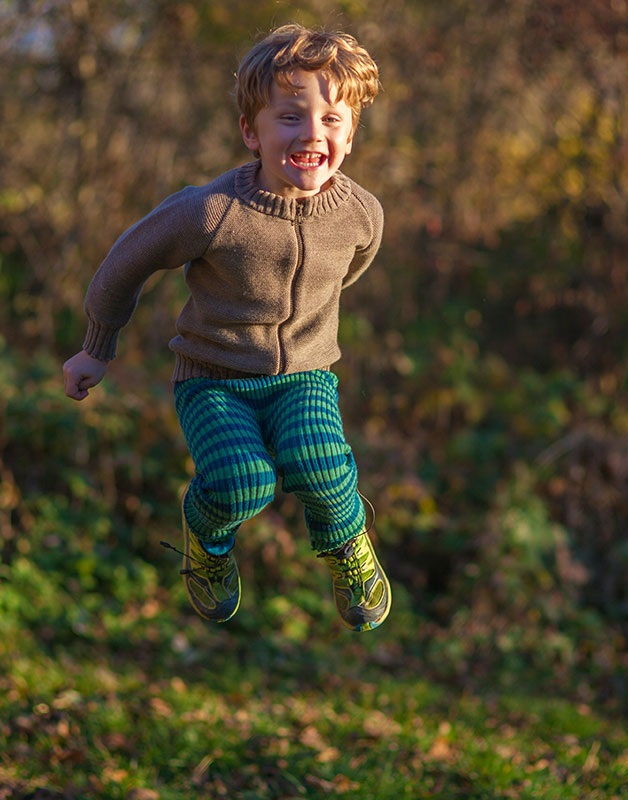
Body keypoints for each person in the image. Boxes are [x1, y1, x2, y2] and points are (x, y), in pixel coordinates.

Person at [61, 23, 391, 631]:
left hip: (304, 377)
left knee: (318, 465)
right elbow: (123, 264)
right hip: (213, 379)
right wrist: (96, 348)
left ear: (351, 131)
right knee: (242, 483)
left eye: (333, 119)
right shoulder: (211, 212)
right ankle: (208, 543)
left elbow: (347, 272)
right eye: (290, 117)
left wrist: (312, 333)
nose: (313, 132)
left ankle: (348, 545)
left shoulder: (361, 214)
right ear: (251, 131)